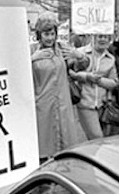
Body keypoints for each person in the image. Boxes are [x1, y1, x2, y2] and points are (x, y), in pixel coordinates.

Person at [30, 18, 88, 161]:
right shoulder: (31, 50)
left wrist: (80, 56)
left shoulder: (62, 49)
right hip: (42, 103)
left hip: (63, 102)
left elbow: (81, 66)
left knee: (65, 142)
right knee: (44, 142)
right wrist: (32, 58)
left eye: (52, 34)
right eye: (46, 34)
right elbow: (20, 74)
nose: (50, 38)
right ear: (39, 35)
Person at [73, 34, 119, 139]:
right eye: (99, 36)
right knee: (97, 137)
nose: (102, 39)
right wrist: (87, 76)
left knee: (95, 140)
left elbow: (114, 82)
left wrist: (99, 80)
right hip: (85, 102)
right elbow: (70, 73)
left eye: (105, 37)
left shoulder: (110, 59)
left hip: (103, 105)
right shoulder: (80, 52)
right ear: (93, 37)